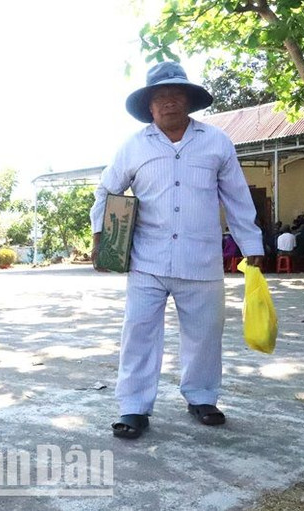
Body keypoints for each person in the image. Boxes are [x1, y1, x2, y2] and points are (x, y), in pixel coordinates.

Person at [89, 61, 264, 440]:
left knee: (205, 333)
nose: (169, 101)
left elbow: (236, 196)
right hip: (146, 259)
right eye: (160, 96)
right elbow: (106, 190)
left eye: (176, 94)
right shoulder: (133, 146)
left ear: (189, 100)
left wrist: (251, 243)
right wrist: (100, 235)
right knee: (139, 332)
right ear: (149, 106)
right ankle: (134, 407)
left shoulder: (217, 142)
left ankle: (202, 397)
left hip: (201, 259)